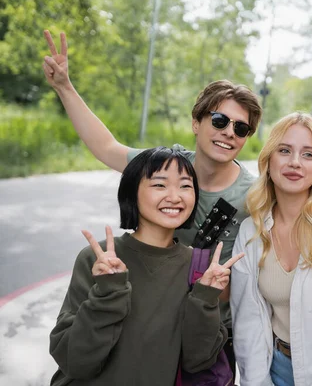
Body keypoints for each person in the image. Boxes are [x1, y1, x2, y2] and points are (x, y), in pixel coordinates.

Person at [42, 30, 262, 375]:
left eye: (241, 128)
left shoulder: (257, 195)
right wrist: (64, 87)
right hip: (141, 308)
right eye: (219, 120)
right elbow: (107, 148)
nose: (229, 132)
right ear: (196, 122)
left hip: (201, 331)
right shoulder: (166, 163)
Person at [49, 146, 244, 385]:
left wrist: (205, 298)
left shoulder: (197, 268)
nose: (174, 196)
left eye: (185, 186)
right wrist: (109, 293)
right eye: (160, 185)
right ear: (132, 192)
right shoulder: (97, 259)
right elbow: (75, 360)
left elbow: (198, 360)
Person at [230, 112, 312, 386]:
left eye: (308, 154)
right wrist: (258, 382)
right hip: (275, 368)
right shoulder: (251, 232)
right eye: (284, 150)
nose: (294, 163)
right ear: (269, 159)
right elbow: (248, 320)